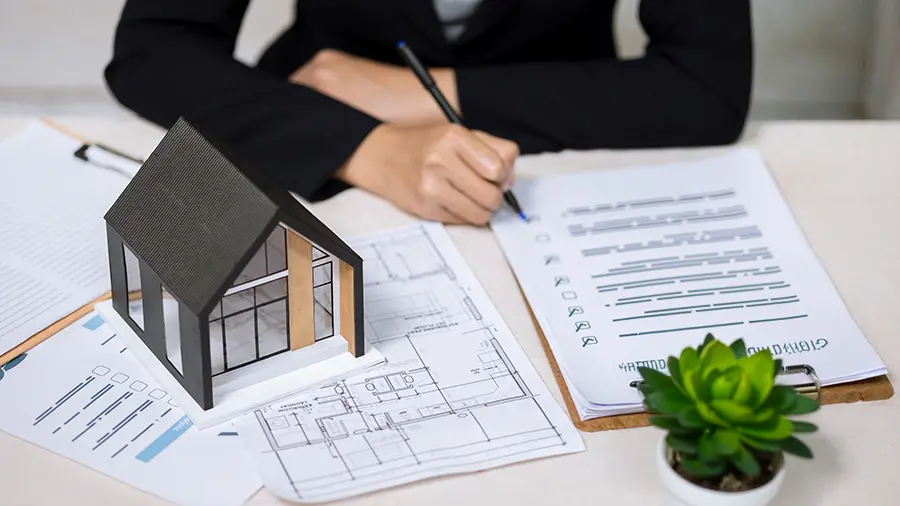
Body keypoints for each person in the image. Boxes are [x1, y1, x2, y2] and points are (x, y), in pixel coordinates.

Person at [104, 0, 752, 226]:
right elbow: (153, 50)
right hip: (305, 132)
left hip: (565, 136)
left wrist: (421, 93)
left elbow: (707, 87)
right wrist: (368, 147)